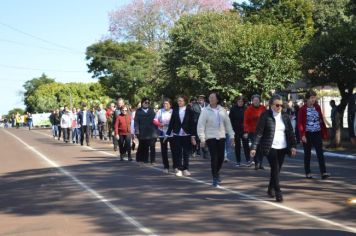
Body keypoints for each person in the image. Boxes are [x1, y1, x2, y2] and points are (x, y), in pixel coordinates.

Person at [250, 94, 297, 202]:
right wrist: (254, 147)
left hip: (283, 147)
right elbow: (259, 133)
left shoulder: (285, 116)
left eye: (281, 105)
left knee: (277, 170)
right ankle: (278, 192)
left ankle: (270, 188)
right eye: (277, 105)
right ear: (271, 105)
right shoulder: (265, 115)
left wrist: (293, 146)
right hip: (270, 146)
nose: (279, 107)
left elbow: (290, 132)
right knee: (275, 168)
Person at [197, 92, 234, 187]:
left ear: (217, 99)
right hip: (210, 137)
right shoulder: (205, 111)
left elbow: (228, 124)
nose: (211, 99)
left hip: (221, 136)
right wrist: (202, 138)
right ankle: (214, 177)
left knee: (221, 157)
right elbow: (200, 125)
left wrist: (232, 136)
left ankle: (216, 172)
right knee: (214, 157)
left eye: (213, 97)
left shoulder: (222, 110)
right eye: (210, 97)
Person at [298, 90, 330, 180]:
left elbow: (321, 119)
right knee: (307, 154)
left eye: (314, 98)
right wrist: (302, 135)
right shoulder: (302, 109)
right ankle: (308, 172)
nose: (313, 100)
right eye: (312, 98)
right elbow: (300, 123)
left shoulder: (317, 107)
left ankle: (323, 172)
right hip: (307, 133)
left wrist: (324, 131)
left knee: (320, 153)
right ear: (307, 99)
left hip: (317, 133)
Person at [166, 96, 196, 177]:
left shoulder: (189, 110)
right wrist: (167, 134)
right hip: (177, 134)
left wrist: (193, 136)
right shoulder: (175, 110)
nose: (179, 102)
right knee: (177, 153)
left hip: (186, 134)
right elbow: (171, 123)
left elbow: (192, 124)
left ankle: (185, 169)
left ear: (185, 101)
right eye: (178, 101)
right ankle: (179, 169)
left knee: (186, 153)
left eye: (181, 101)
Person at [244, 94, 266, 170]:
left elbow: (266, 118)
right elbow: (246, 121)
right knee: (255, 147)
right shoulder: (248, 110)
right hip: (252, 131)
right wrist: (246, 131)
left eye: (257, 100)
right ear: (252, 101)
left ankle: (261, 162)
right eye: (254, 100)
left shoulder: (263, 108)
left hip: (262, 131)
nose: (256, 101)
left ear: (260, 101)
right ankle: (256, 162)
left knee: (261, 147)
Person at [229, 95, 252, 167]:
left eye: (241, 101)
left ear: (243, 102)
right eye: (239, 101)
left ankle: (248, 160)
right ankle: (238, 161)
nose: (240, 103)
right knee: (237, 146)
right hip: (236, 130)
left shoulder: (246, 109)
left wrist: (247, 131)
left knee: (246, 145)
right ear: (237, 102)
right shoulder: (233, 109)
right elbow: (230, 120)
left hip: (244, 130)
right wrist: (231, 130)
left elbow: (249, 121)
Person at [134, 98, 158, 164]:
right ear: (142, 103)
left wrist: (157, 131)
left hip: (152, 132)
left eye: (148, 102)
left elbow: (155, 121)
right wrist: (137, 131)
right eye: (145, 102)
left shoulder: (152, 110)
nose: (147, 104)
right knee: (144, 146)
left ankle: (153, 160)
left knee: (152, 147)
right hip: (142, 132)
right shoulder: (138, 111)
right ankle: (145, 159)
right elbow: (136, 122)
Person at [154, 98, 174, 173]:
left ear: (170, 105)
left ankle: (175, 166)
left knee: (174, 150)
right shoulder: (160, 111)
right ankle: (166, 167)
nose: (165, 105)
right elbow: (155, 120)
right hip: (162, 133)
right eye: (164, 104)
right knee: (164, 151)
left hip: (172, 133)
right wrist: (160, 124)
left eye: (167, 104)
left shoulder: (173, 111)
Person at [191, 95, 209, 159]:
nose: (200, 99)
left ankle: (205, 153)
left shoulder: (207, 105)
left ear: (204, 99)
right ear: (198, 99)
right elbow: (191, 115)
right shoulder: (194, 106)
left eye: (202, 98)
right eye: (199, 98)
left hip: (205, 125)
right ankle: (194, 150)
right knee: (196, 139)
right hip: (196, 124)